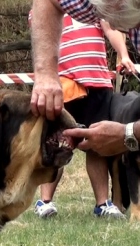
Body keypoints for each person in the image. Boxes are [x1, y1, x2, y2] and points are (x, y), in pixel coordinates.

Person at [29, 11, 135, 219]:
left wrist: (123, 55)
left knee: (97, 145)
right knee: (57, 145)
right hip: (62, 87)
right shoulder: (45, 9)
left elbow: (111, 28)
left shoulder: (94, 5)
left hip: (97, 85)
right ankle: (45, 202)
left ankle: (102, 204)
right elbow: (41, 38)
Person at [30, 0, 140, 157]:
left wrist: (127, 134)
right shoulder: (106, 2)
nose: (114, 27)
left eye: (116, 17)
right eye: (105, 16)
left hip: (97, 82)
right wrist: (46, 74)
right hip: (70, 83)